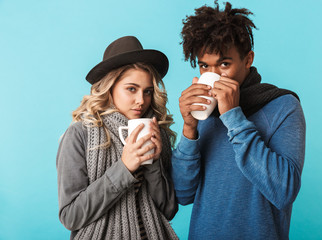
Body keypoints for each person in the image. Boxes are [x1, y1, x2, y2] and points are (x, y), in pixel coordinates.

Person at [171, 2, 306, 240]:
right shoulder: (204, 113)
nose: (212, 75)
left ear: (247, 60)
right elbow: (183, 193)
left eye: (224, 64)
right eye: (204, 66)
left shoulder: (283, 106)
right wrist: (189, 128)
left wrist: (233, 117)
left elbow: (284, 191)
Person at [56, 36, 179, 240]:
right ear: (110, 87)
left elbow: (168, 210)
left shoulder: (157, 132)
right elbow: (71, 216)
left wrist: (154, 163)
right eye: (131, 89)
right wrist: (124, 167)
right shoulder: (79, 135)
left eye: (147, 91)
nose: (141, 100)